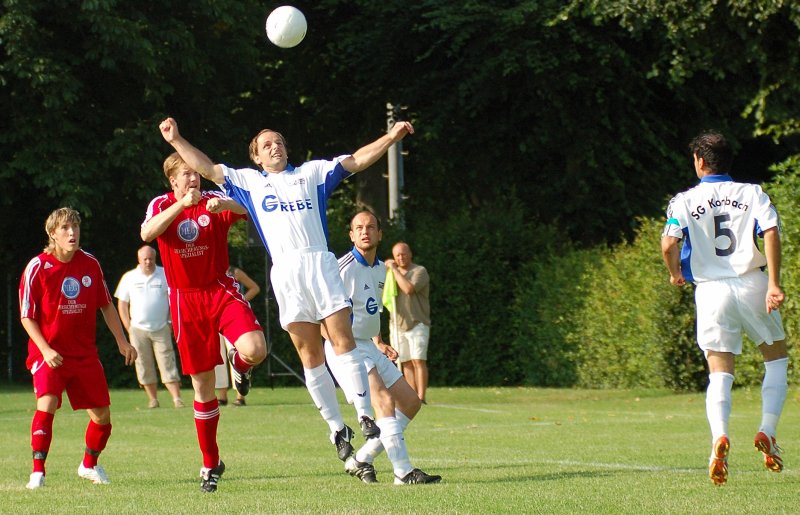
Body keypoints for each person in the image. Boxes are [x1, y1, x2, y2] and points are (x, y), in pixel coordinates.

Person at [158, 116, 414, 461]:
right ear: (257, 157)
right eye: (266, 145)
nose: (274, 147)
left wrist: (391, 137)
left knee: (343, 341)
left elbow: (356, 160)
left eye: (278, 141)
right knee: (310, 355)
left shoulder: (312, 172)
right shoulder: (248, 181)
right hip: (287, 272)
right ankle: (337, 429)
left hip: (319, 263)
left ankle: (365, 415)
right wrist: (176, 139)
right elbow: (206, 167)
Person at [661, 131, 788, 486]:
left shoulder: (684, 201)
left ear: (700, 161)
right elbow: (771, 231)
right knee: (776, 360)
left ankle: (719, 437)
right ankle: (767, 430)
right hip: (753, 283)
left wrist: (674, 273)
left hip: (711, 291)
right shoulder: (752, 193)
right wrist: (774, 283)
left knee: (719, 372)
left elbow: (669, 243)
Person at [141, 152, 268, 492]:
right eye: (186, 173)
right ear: (173, 181)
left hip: (219, 289)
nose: (194, 178)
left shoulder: (213, 198)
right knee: (203, 387)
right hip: (185, 300)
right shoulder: (161, 204)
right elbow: (147, 233)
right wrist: (180, 206)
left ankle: (240, 366)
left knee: (256, 348)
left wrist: (226, 204)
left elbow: (251, 207)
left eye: (196, 172)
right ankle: (211, 463)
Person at [19, 207, 137, 490]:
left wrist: (122, 341)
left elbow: (106, 304)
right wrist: (45, 350)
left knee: (102, 417)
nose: (72, 233)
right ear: (52, 234)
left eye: (75, 227)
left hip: (84, 354)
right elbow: (26, 316)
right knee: (47, 403)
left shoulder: (90, 263)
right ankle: (38, 472)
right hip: (49, 353)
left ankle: (89, 465)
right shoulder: (38, 267)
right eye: (65, 228)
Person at [325, 211, 441, 485]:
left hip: (368, 345)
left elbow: (370, 310)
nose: (365, 232)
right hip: (347, 349)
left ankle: (362, 458)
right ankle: (403, 472)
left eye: (370, 227)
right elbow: (322, 317)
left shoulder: (381, 269)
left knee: (411, 402)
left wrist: (379, 342)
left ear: (379, 234)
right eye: (359, 228)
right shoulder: (341, 268)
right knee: (385, 402)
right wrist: (344, 351)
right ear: (351, 235)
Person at [115, 244, 184, 409]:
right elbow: (122, 304)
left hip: (161, 327)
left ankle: (177, 399)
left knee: (167, 361)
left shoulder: (165, 274)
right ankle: (153, 399)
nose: (148, 262)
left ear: (155, 258)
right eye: (145, 259)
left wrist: (170, 322)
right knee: (143, 364)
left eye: (151, 259)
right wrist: (128, 327)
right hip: (137, 329)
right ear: (139, 259)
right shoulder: (129, 277)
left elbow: (173, 300)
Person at [385, 242, 431, 404]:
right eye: (397, 255)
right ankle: (412, 398)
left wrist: (394, 269)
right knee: (405, 361)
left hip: (417, 322)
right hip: (398, 324)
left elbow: (408, 289)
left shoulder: (419, 271)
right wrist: (389, 271)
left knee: (418, 360)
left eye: (403, 254)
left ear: (410, 254)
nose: (401, 257)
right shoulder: (390, 274)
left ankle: (421, 397)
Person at [215, 265, 261, 406]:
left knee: (237, 353)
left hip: (233, 316)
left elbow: (254, 288)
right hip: (215, 316)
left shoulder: (234, 272)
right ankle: (222, 396)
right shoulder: (209, 272)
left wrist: (240, 300)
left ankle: (240, 396)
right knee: (218, 356)